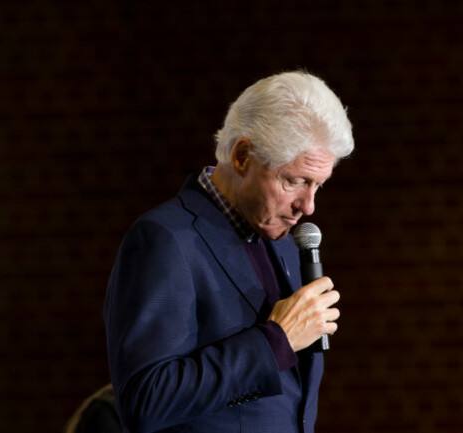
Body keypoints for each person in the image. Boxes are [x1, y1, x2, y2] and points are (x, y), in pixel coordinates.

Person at [103, 71, 354, 433]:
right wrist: (275, 341)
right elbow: (145, 400)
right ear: (242, 157)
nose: (308, 205)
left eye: (318, 185)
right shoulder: (165, 240)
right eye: (294, 181)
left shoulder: (285, 243)